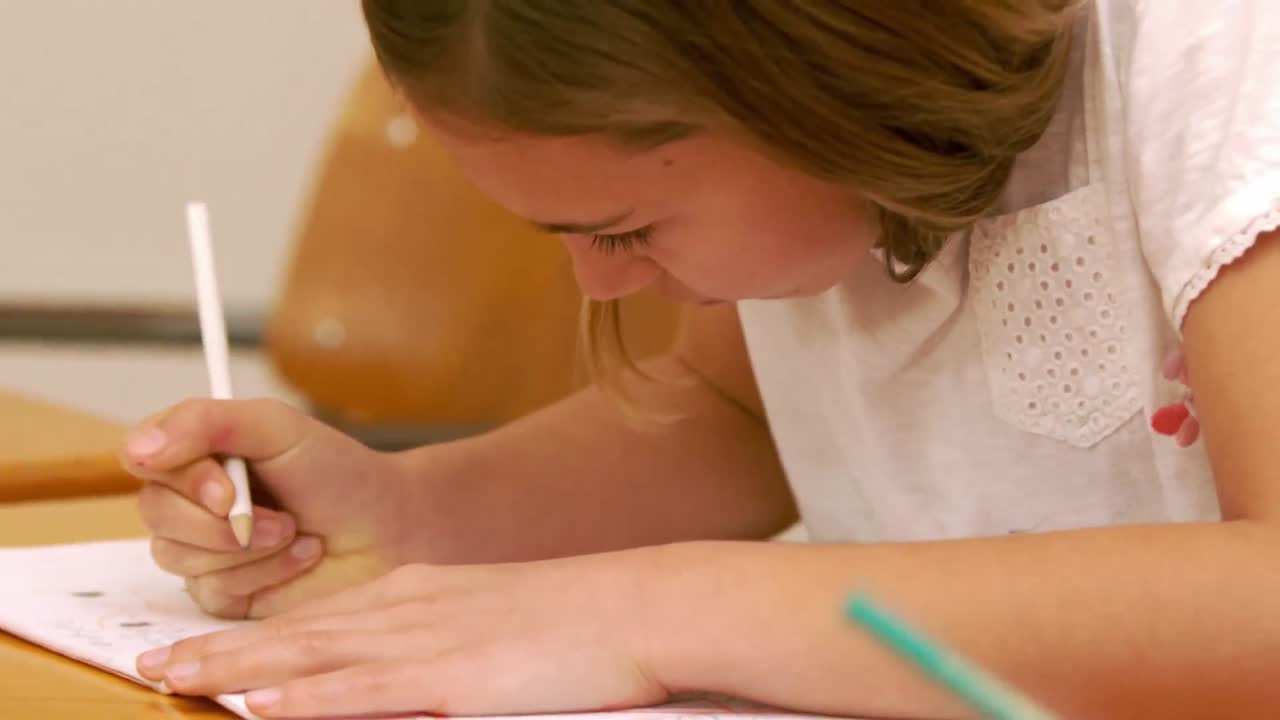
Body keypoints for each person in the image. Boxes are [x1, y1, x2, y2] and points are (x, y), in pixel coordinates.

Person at [122, 1, 1280, 717]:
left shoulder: (1215, 54)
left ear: (829, 75)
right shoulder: (813, 165)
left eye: (622, 229)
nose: (597, 280)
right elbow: (735, 416)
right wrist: (410, 514)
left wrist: (666, 607)